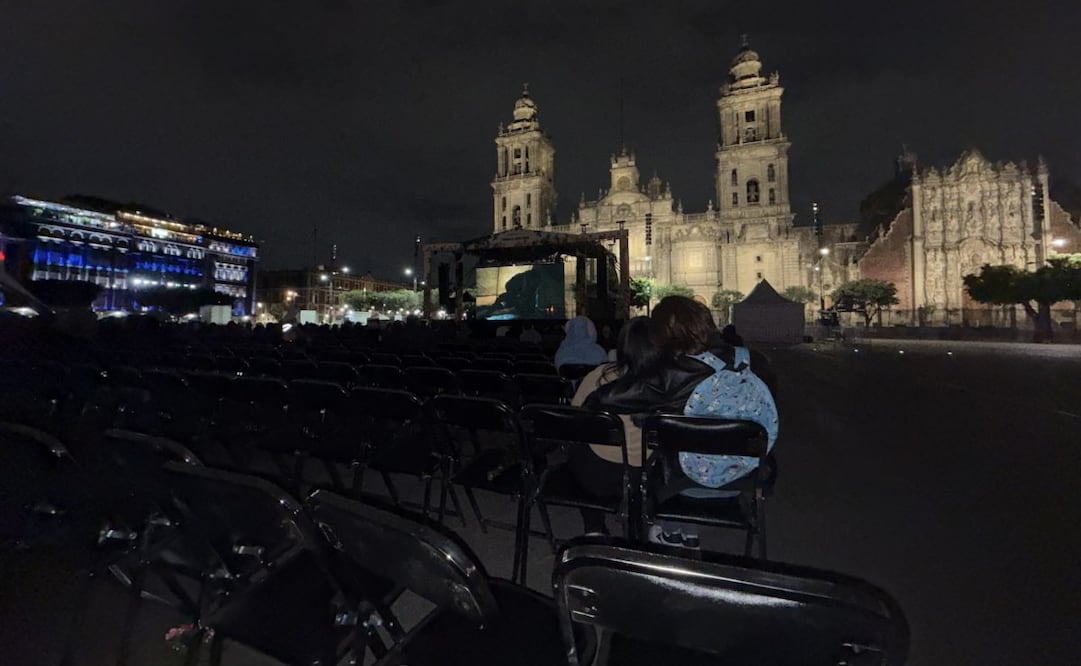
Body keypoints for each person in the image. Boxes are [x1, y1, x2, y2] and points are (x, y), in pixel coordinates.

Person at [585, 296, 778, 545]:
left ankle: (670, 531)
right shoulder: (758, 363)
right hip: (748, 479)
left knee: (655, 445)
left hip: (682, 483)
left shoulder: (670, 375)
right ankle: (682, 531)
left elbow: (599, 400)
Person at [568, 317, 658, 534]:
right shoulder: (669, 381)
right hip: (647, 476)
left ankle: (593, 526)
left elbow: (573, 417)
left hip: (596, 474)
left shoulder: (599, 376)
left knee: (576, 447)